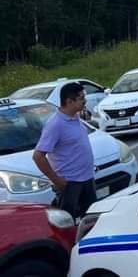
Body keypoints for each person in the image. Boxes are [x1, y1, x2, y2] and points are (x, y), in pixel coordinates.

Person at [33, 82, 96, 221]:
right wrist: (57, 180)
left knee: (91, 218)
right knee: (67, 221)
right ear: (69, 101)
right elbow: (38, 156)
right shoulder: (55, 124)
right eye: (81, 98)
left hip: (87, 178)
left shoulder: (75, 117)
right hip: (70, 182)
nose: (85, 101)